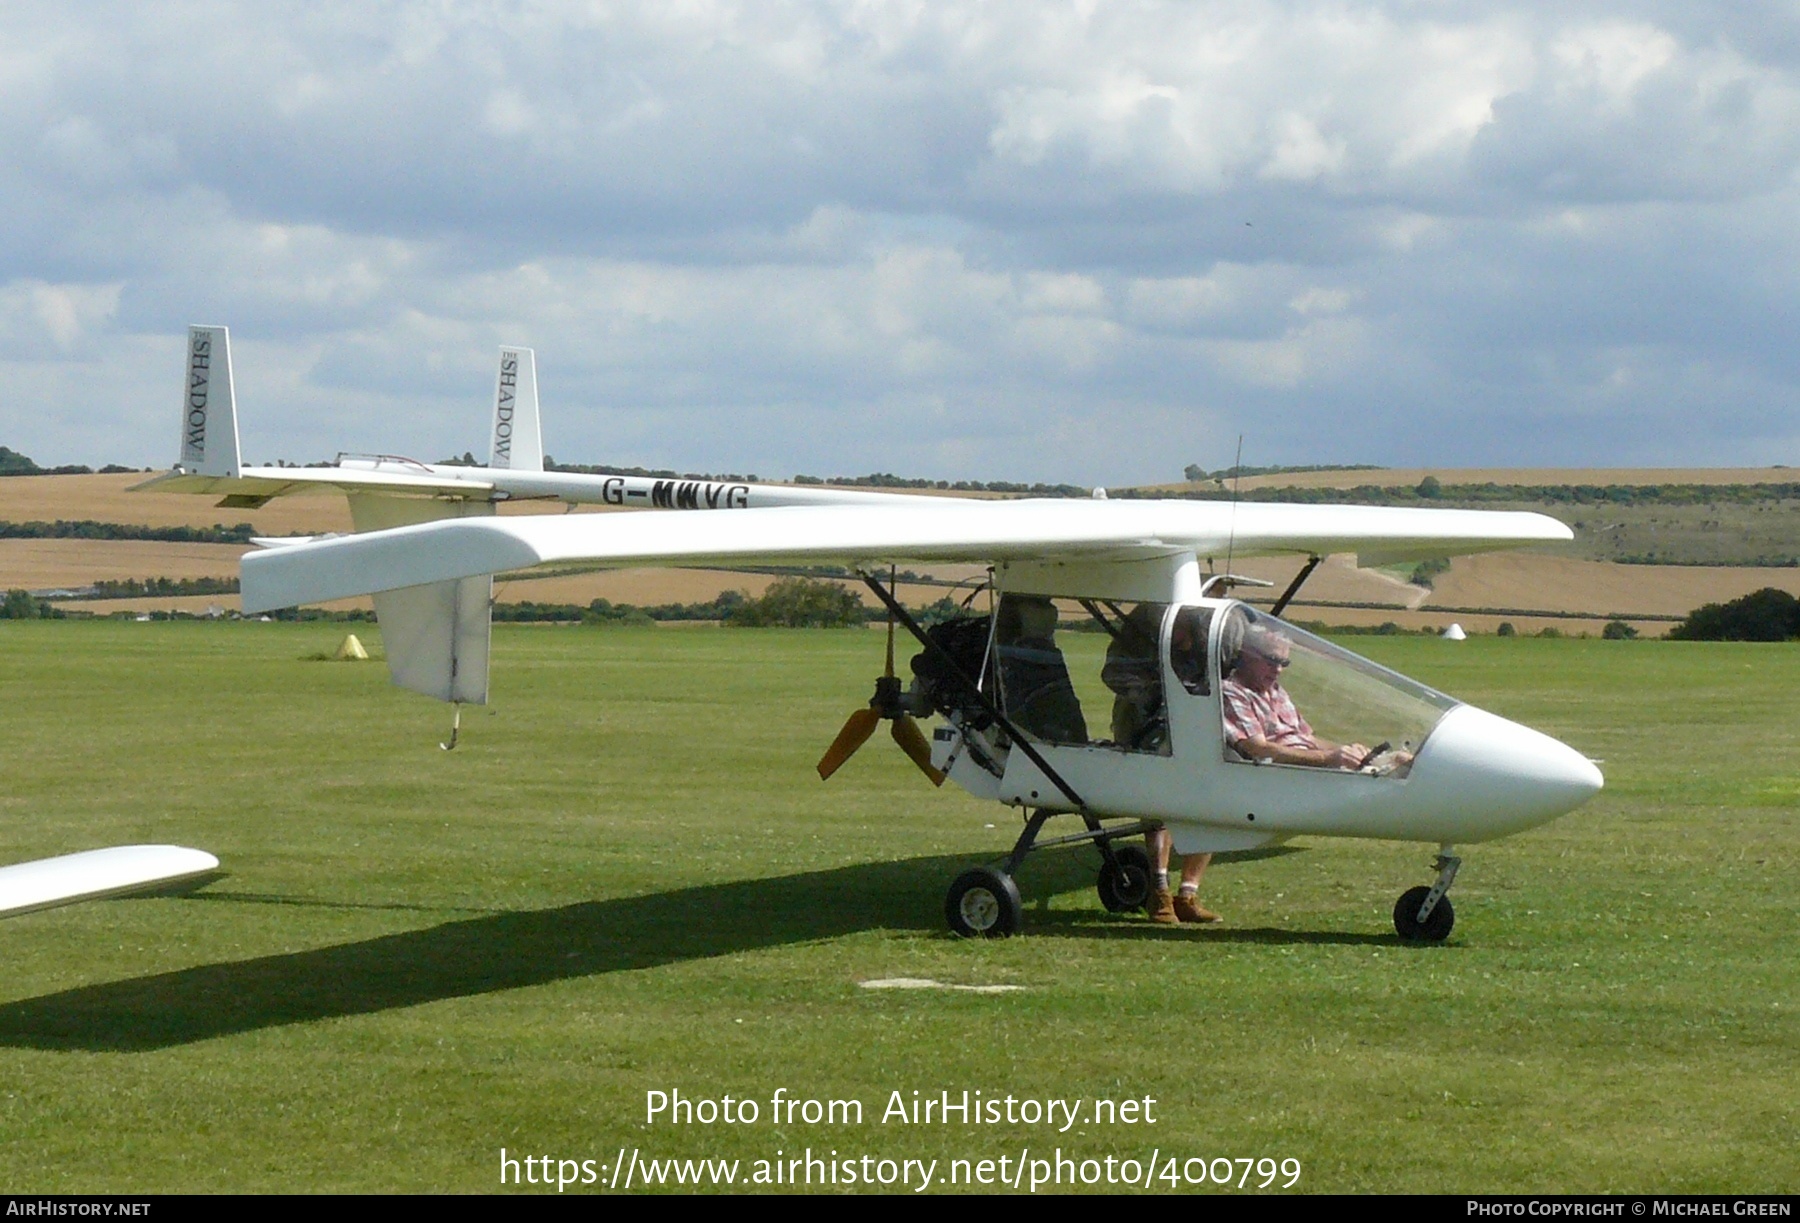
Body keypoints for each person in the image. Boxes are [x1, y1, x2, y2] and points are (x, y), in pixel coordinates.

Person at [1100, 604, 1219, 924]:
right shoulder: (1141, 636)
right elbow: (1113, 674)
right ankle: (1160, 891)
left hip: (1194, 729)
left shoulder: (1206, 636)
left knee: (1213, 805)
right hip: (1143, 728)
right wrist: (1155, 693)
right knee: (1158, 810)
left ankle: (1188, 894)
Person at [1221, 622, 1370, 769]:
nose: (1278, 670)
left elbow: (1308, 739)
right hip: (1278, 778)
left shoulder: (1275, 691)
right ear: (1247, 655)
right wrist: (1327, 758)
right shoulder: (1232, 692)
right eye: (1272, 660)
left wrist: (1352, 753)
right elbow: (1258, 750)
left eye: (1284, 663)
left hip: (1304, 770)